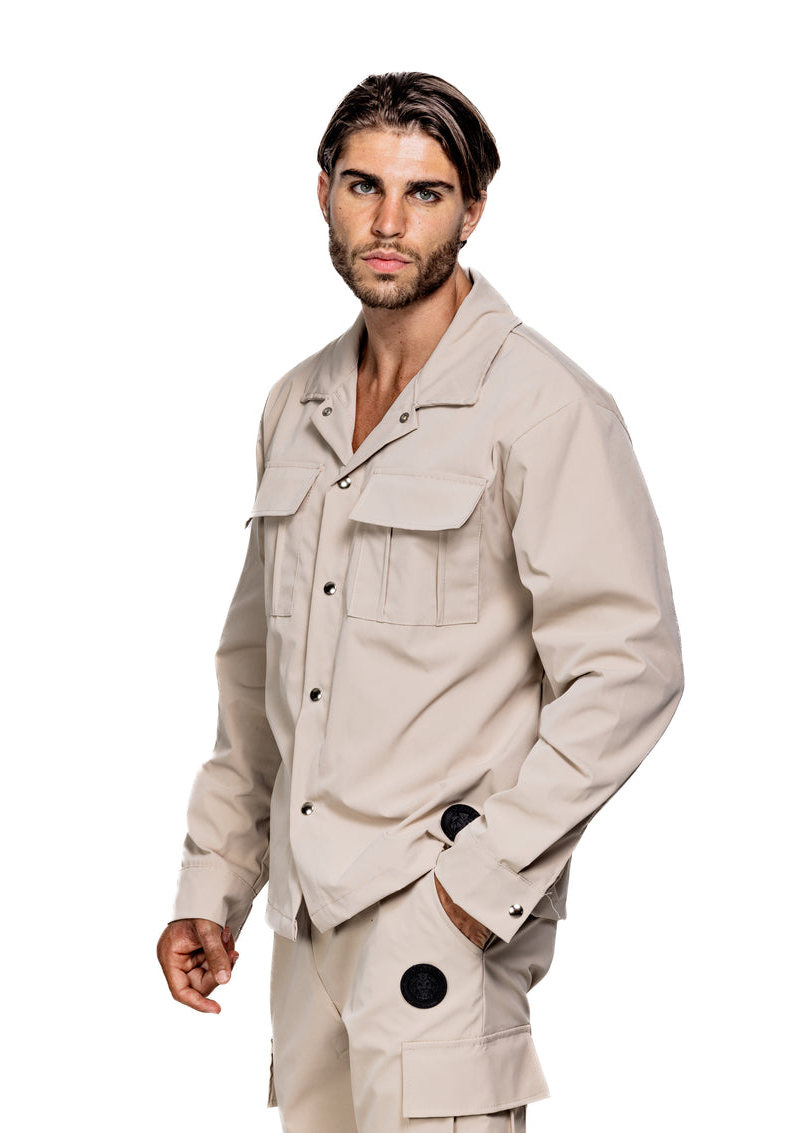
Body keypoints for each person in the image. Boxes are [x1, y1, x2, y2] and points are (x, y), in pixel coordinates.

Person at [157, 71, 684, 1132]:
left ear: (472, 210)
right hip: (304, 931)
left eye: (426, 193)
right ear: (322, 193)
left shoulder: (542, 407)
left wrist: (476, 887)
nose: (389, 223)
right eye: (365, 186)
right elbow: (257, 681)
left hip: (434, 931)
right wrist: (214, 887)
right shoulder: (296, 403)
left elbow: (628, 669)